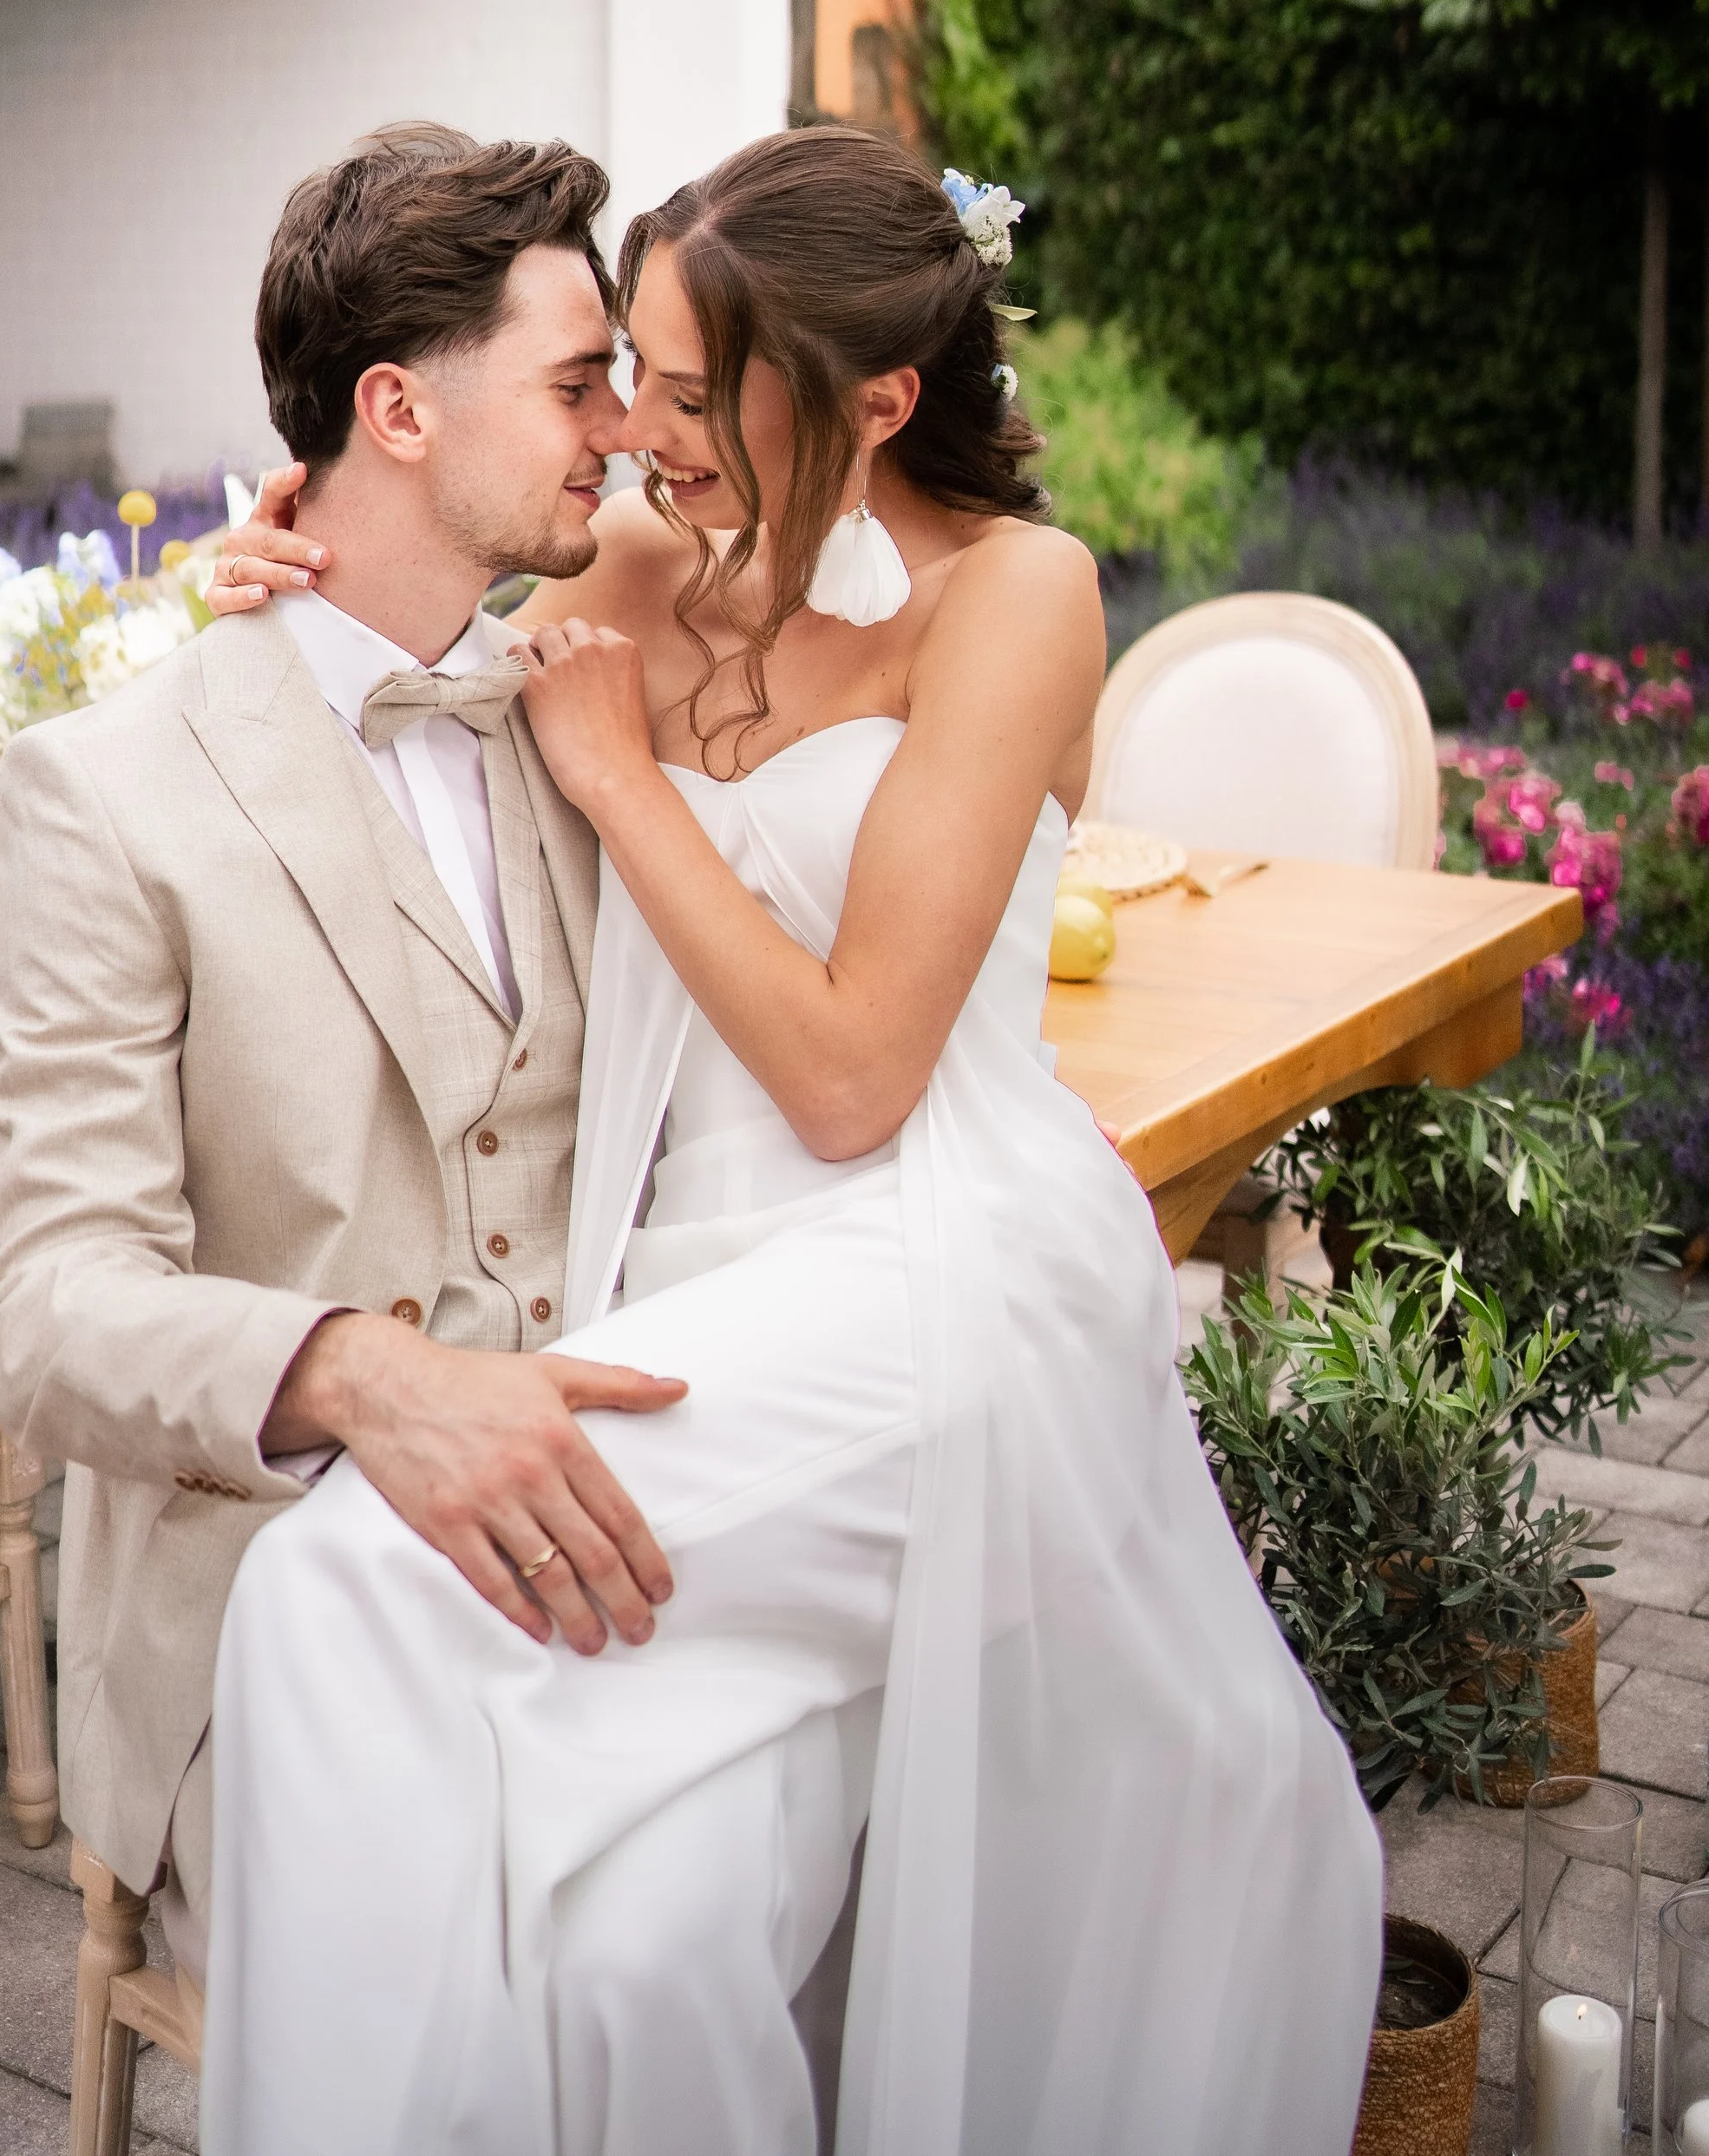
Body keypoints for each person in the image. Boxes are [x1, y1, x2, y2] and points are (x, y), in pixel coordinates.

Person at [200, 128, 1382, 2156]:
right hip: (680, 1278)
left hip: (937, 1270)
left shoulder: (1014, 597)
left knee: (335, 1590)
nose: (632, 431)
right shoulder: (644, 561)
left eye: (684, 391)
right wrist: (254, 575)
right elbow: (390, 584)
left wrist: (618, 779)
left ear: (878, 401)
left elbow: (851, 1079)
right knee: (628, 1944)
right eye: (625, 376)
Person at [0, 124, 697, 1987]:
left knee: (786, 1873)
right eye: (577, 382)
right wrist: (359, 1375)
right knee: (557, 1964)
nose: (621, 427)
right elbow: (37, 1311)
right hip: (267, 1601)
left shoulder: (589, 705)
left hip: (612, 1537)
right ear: (397, 409)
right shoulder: (109, 790)